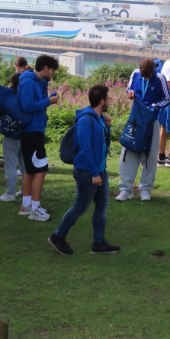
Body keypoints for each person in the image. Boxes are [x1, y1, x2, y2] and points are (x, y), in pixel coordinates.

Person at [48, 85, 120, 255]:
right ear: (102, 101)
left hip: (99, 170)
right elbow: (85, 149)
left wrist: (108, 127)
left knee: (102, 206)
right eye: (108, 99)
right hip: (87, 172)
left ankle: (99, 243)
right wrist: (94, 174)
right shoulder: (85, 121)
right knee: (81, 206)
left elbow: (102, 144)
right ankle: (58, 236)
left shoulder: (99, 118)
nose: (110, 101)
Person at [17, 54, 67, 221]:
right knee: (41, 169)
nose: (53, 73)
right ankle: (35, 209)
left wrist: (54, 95)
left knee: (31, 170)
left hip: (33, 130)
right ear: (46, 68)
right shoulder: (29, 82)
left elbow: (39, 101)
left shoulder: (35, 82)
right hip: (31, 131)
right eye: (53, 70)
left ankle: (26, 205)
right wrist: (49, 102)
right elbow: (27, 105)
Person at [118, 58, 170, 202]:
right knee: (128, 151)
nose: (145, 78)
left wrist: (153, 106)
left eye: (148, 76)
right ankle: (125, 189)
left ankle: (145, 188)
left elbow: (166, 99)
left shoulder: (159, 78)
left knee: (150, 154)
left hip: (151, 120)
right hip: (135, 118)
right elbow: (129, 88)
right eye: (143, 76)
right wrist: (130, 93)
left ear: (153, 71)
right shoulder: (135, 74)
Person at [0, 59, 31, 203]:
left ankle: (10, 193)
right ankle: (25, 190)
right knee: (24, 166)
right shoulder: (27, 96)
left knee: (10, 165)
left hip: (10, 134)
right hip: (26, 133)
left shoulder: (8, 96)